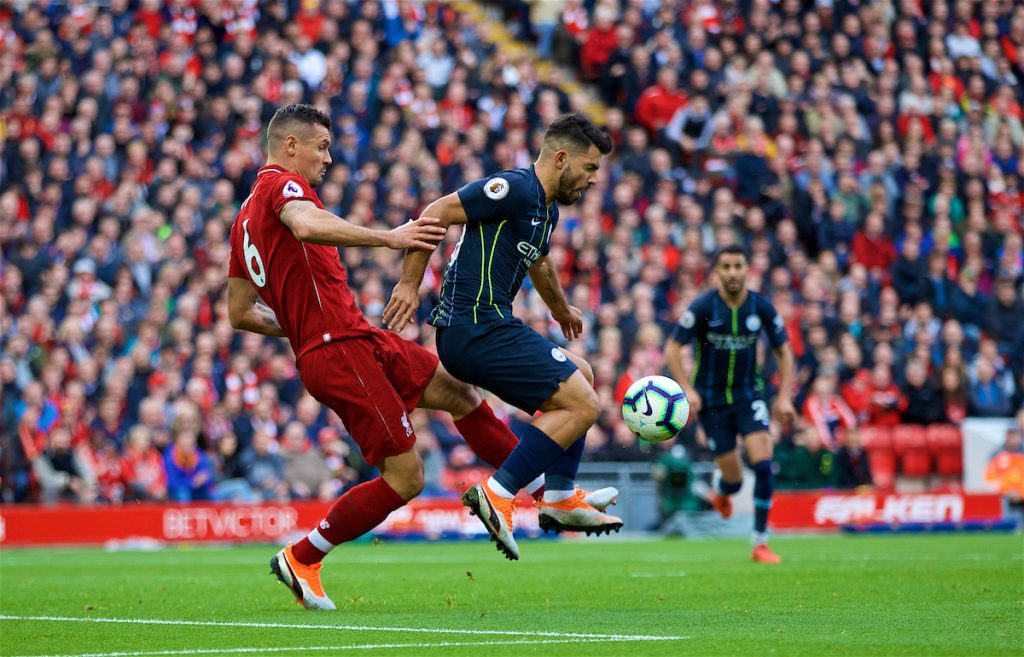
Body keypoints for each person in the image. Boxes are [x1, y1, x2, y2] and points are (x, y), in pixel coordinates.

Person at [227, 104, 550, 609]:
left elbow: (240, 312)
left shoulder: (243, 218)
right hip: (338, 348)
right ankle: (302, 557)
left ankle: (542, 494)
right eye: (322, 146)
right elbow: (307, 224)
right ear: (290, 146)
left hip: (352, 338)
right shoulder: (278, 186)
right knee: (407, 477)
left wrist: (298, 329)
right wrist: (389, 237)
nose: (328, 158)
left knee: (459, 392)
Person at [383, 113, 622, 560]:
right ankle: (499, 493)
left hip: (487, 327)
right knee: (584, 402)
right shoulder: (515, 188)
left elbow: (540, 262)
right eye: (589, 169)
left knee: (583, 376)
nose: (592, 181)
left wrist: (559, 308)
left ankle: (559, 497)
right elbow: (436, 211)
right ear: (562, 157)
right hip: (472, 327)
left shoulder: (545, 208)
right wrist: (409, 285)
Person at [664, 244, 797, 563]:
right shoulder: (703, 307)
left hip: (749, 395)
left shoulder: (761, 307)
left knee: (764, 466)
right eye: (727, 267)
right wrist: (686, 389)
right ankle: (723, 490)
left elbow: (784, 352)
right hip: (711, 402)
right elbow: (672, 348)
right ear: (717, 273)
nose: (733, 272)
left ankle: (760, 543)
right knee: (735, 481)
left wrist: (783, 396)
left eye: (739, 266)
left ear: (747, 269)